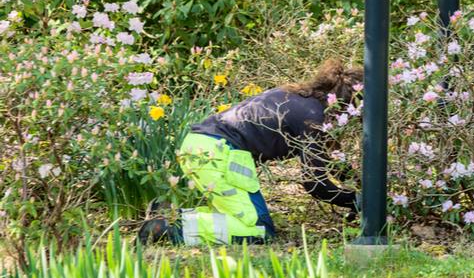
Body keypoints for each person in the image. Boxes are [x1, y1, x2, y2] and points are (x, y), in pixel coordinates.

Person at [138, 59, 363, 245]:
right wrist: (358, 201)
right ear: (350, 104)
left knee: (238, 216)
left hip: (199, 146)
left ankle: (165, 211)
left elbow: (333, 160)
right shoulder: (313, 118)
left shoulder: (302, 98)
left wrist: (364, 190)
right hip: (218, 154)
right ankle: (169, 227)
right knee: (257, 230)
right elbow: (316, 184)